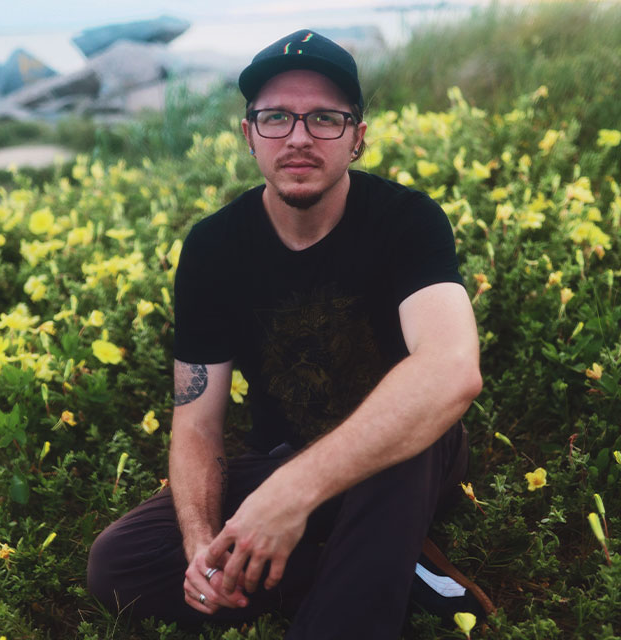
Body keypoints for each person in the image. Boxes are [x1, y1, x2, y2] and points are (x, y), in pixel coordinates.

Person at [88, 29, 493, 639]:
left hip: (406, 459)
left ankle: (352, 583)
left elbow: (451, 369)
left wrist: (290, 497)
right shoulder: (212, 248)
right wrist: (203, 544)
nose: (299, 137)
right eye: (276, 117)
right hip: (281, 458)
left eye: (325, 118)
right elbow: (197, 422)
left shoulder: (406, 220)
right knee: (119, 564)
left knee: (401, 437)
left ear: (358, 137)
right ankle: (384, 564)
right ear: (249, 134)